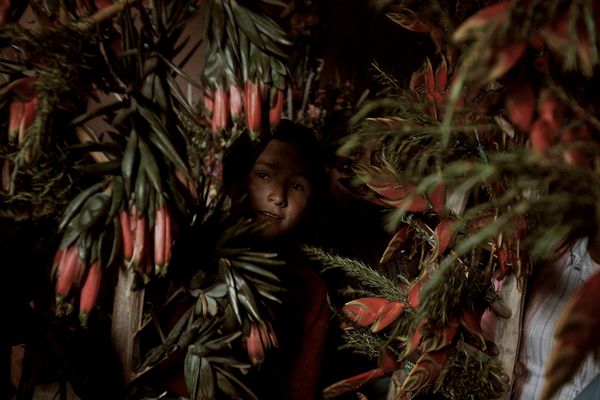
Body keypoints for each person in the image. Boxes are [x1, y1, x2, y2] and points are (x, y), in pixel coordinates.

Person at [144, 119, 331, 400]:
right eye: (264, 175)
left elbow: (300, 389)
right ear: (235, 179)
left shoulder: (309, 288)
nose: (278, 196)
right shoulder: (184, 249)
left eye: (296, 185)